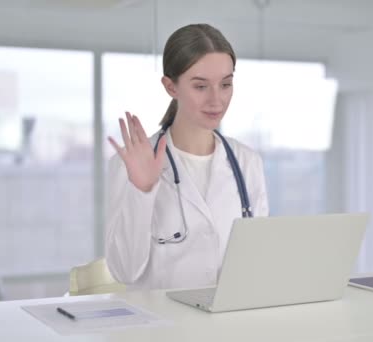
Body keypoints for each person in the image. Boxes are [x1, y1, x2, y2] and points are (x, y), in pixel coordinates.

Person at [105, 23, 269, 290]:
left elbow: (256, 261)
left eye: (226, 84)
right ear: (171, 87)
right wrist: (142, 191)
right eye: (201, 86)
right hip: (160, 327)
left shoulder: (247, 162)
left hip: (229, 324)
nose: (217, 100)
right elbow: (124, 271)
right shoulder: (132, 163)